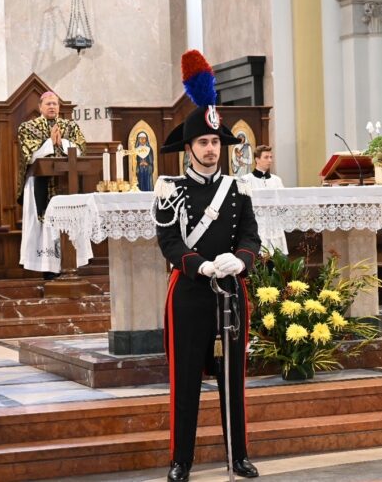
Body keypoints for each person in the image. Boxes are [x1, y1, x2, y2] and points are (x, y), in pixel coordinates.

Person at [153, 49, 261, 482]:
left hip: (231, 295)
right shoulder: (169, 190)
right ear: (189, 148)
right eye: (203, 142)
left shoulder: (238, 191)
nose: (212, 149)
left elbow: (251, 236)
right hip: (190, 295)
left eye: (216, 142)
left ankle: (239, 456)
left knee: (233, 380)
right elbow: (168, 241)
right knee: (185, 382)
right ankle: (181, 460)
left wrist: (241, 259)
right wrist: (197, 265)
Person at [17, 91, 86, 278]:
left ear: (59, 107)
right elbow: (28, 155)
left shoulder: (69, 126)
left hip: (65, 183)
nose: (52, 107)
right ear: (40, 107)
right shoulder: (28, 127)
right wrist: (49, 143)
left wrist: (62, 142)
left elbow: (81, 148)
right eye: (48, 104)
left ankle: (69, 264)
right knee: (45, 226)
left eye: (55, 104)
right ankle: (48, 268)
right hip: (39, 184)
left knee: (67, 222)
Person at [241, 145, 289, 254]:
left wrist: (276, 214)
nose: (270, 160)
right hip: (256, 226)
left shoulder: (276, 180)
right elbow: (243, 206)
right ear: (257, 159)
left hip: (274, 226)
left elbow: (284, 204)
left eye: (271, 157)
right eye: (266, 157)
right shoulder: (246, 180)